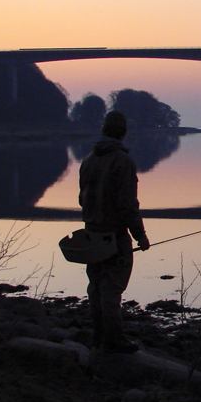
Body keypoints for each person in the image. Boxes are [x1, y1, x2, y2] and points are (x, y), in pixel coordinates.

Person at [79, 110, 150, 354]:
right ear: (123, 132)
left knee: (96, 286)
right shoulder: (123, 161)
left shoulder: (88, 159)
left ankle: (98, 337)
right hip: (114, 235)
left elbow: (82, 199)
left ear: (103, 129)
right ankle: (113, 339)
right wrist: (140, 235)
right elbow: (128, 205)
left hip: (91, 234)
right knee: (111, 288)